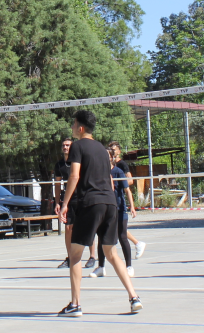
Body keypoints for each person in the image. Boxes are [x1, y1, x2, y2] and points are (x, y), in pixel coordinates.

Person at [57, 110, 142, 316]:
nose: (72, 127)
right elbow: (110, 180)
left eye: (74, 124)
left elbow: (74, 175)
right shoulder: (104, 151)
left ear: (81, 128)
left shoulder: (78, 146)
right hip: (110, 204)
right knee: (112, 253)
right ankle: (134, 297)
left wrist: (65, 202)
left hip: (91, 203)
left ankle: (75, 305)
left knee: (75, 256)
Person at [93, 146, 135, 278]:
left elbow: (127, 190)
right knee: (102, 238)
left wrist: (132, 207)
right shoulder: (98, 172)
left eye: (106, 155)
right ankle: (101, 267)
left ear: (111, 157)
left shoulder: (118, 171)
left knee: (122, 237)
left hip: (120, 209)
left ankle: (129, 266)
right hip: (105, 209)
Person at [109, 142, 146, 259]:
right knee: (117, 229)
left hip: (119, 199)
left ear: (119, 151)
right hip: (111, 199)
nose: (113, 152)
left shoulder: (122, 165)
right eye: (111, 150)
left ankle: (137, 244)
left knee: (120, 230)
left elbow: (130, 181)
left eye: (114, 150)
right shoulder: (107, 165)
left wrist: (119, 182)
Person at [53, 138, 80, 270]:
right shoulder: (59, 165)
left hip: (81, 197)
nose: (65, 147)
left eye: (68, 145)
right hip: (67, 199)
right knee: (68, 228)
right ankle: (70, 258)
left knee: (84, 228)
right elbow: (57, 184)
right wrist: (57, 202)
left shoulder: (78, 161)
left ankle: (92, 257)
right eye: (63, 145)